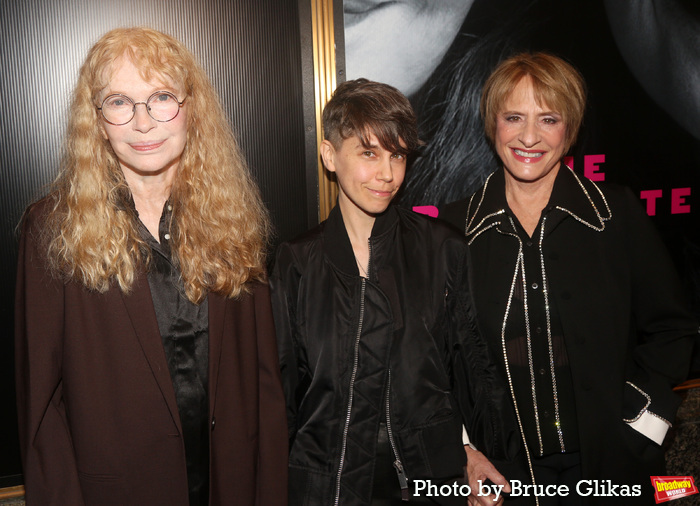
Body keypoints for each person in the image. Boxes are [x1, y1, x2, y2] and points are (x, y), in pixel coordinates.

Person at [14, 27, 287, 505]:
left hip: (230, 484)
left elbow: (264, 384)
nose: (143, 123)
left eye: (161, 97)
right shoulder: (51, 228)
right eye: (119, 102)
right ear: (97, 120)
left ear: (191, 108)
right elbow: (41, 411)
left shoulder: (234, 218)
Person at [440, 52, 697, 504]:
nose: (529, 137)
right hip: (506, 477)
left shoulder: (615, 216)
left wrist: (642, 424)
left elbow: (673, 330)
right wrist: (464, 450)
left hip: (612, 467)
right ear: (492, 125)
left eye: (549, 119)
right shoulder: (452, 233)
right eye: (514, 117)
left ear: (570, 130)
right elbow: (434, 362)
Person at [270, 78, 515, 506]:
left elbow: (469, 372)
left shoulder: (442, 248)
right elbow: (282, 394)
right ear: (330, 155)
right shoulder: (297, 261)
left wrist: (474, 452)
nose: (387, 174)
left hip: (430, 483)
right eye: (368, 153)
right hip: (329, 485)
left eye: (397, 155)